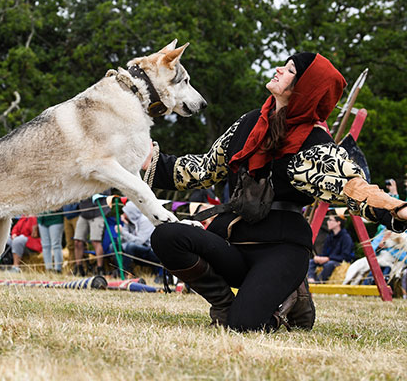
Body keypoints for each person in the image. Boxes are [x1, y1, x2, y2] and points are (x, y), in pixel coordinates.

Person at [147, 52, 407, 332]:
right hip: (233, 241)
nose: (279, 68)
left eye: (290, 69)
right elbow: (204, 169)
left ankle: (292, 294)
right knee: (167, 236)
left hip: (281, 248)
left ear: (306, 87)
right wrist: (148, 158)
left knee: (245, 326)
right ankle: (223, 305)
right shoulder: (247, 124)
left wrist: (395, 208)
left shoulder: (315, 143)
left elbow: (352, 187)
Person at [116, 200, 164, 282]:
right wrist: (124, 229)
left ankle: (127, 273)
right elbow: (122, 241)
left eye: (125, 212)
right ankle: (120, 272)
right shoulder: (130, 221)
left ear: (131, 212)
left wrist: (123, 232)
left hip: (151, 250)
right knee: (114, 246)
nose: (123, 215)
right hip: (137, 249)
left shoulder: (145, 220)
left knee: (130, 246)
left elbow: (140, 241)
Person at [307, 214, 354, 283]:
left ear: (338, 222)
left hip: (339, 261)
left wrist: (328, 258)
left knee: (329, 265)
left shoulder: (346, 238)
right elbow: (324, 253)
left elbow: (345, 256)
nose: (327, 222)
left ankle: (318, 282)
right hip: (329, 260)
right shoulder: (330, 236)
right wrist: (319, 258)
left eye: (330, 220)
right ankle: (310, 279)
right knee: (311, 262)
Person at [74, 191, 111, 276]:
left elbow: (106, 193)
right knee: (77, 241)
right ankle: (78, 268)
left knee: (95, 241)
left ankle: (99, 269)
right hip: (84, 213)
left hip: (98, 213)